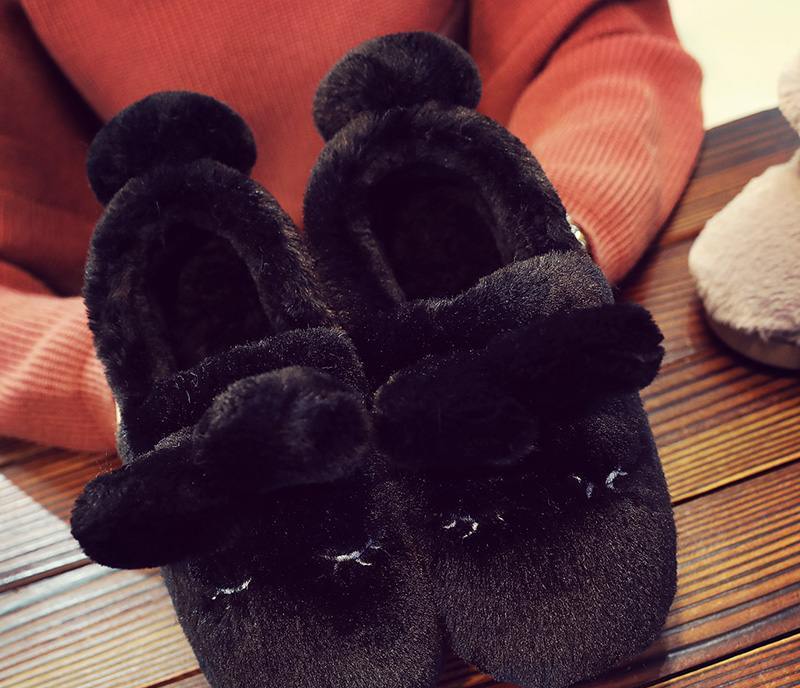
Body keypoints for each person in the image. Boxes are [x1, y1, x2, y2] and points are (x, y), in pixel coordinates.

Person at [0, 0, 702, 452]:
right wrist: (139, 367)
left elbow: (600, 32)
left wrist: (540, 239)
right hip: (204, 366)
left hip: (485, 273)